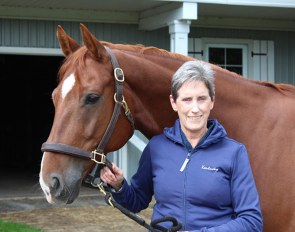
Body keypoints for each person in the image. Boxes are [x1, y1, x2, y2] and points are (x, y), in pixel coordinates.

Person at [100, 60, 263, 231]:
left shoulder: (234, 153)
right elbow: (137, 201)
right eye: (186, 100)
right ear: (174, 103)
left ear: (212, 101)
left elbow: (251, 221)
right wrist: (119, 186)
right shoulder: (156, 148)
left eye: (201, 99)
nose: (195, 109)